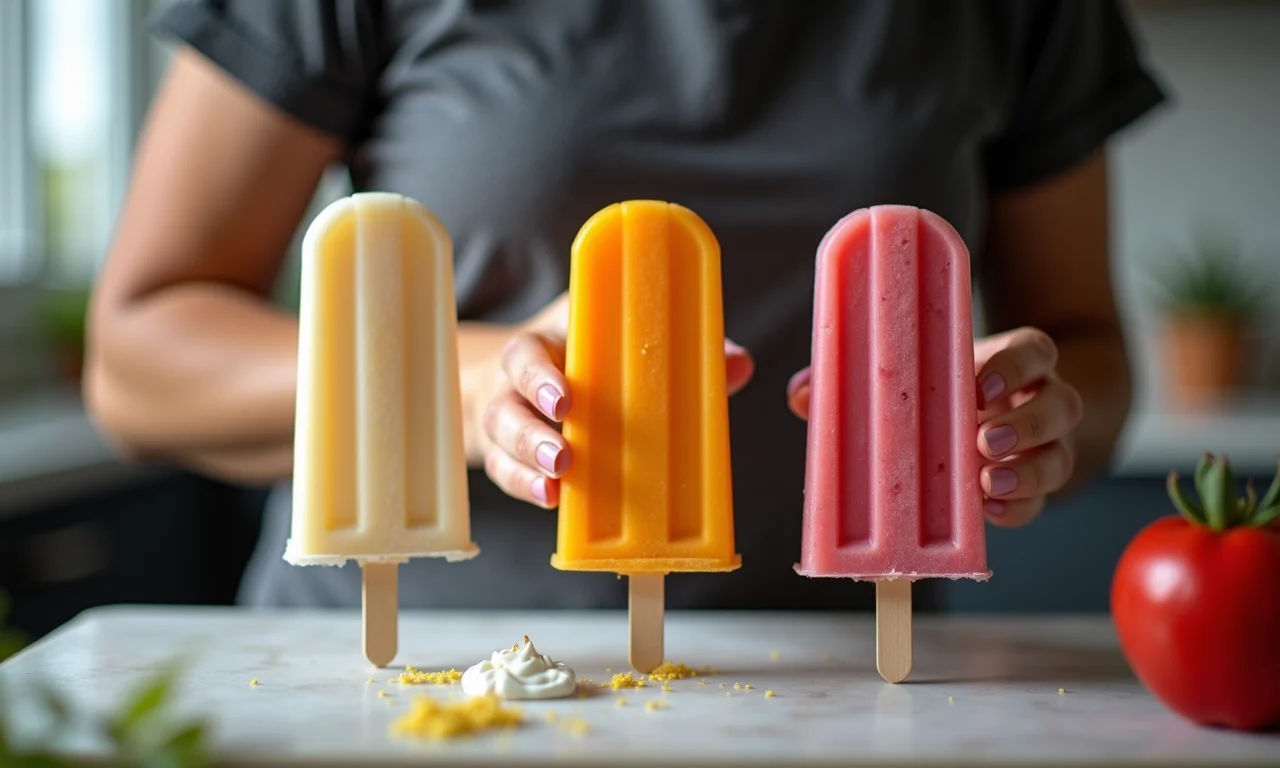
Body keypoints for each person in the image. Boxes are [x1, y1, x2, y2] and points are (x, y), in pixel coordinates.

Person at [85, 0, 1165, 611]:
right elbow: (139, 360)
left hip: (831, 695)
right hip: (412, 678)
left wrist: (1028, 419)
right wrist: (464, 385)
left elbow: (1090, 355)